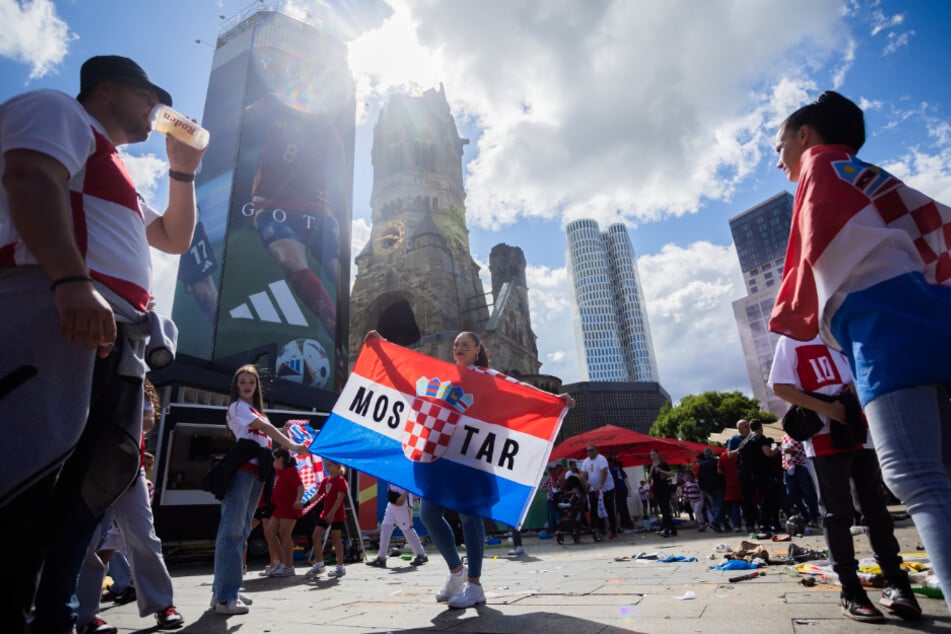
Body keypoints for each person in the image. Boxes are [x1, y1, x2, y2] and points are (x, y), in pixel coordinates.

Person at [0, 55, 205, 633]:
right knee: (31, 478)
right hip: (56, 311)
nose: (155, 112)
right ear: (107, 91)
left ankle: (55, 617)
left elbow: (172, 236)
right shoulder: (56, 110)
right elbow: (29, 177)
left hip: (112, 338)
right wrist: (70, 279)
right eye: (147, 98)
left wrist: (182, 172)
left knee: (78, 495)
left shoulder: (112, 167)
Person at [770, 89, 951, 616]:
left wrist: (794, 314)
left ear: (805, 137)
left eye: (780, 145)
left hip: (886, 332)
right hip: (928, 323)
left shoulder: (819, 167)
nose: (778, 159)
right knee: (936, 475)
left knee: (915, 479)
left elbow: (811, 253)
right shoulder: (869, 176)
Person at [413, 331, 573, 609]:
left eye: (465, 345)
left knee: (469, 516)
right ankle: (455, 573)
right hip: (443, 458)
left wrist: (554, 400)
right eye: (455, 345)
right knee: (428, 514)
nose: (458, 348)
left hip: (473, 457)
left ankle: (474, 585)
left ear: (477, 350)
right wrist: (380, 347)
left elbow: (519, 392)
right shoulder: (446, 379)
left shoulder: (488, 377)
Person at [768, 334, 921, 622]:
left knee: (875, 509)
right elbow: (780, 385)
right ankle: (850, 590)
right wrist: (828, 409)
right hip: (826, 436)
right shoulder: (795, 339)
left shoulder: (847, 331)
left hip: (862, 431)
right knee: (837, 512)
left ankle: (895, 581)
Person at [71, 380, 184, 634]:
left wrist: (142, 416)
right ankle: (86, 616)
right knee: (86, 543)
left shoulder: (139, 385)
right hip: (94, 467)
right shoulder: (96, 373)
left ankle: (163, 606)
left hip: (132, 468)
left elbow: (147, 422)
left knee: (144, 536)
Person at [211, 364, 307, 615]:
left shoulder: (254, 410)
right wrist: (291, 445)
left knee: (241, 531)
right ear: (236, 385)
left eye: (251, 382)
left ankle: (224, 590)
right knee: (232, 532)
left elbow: (266, 432)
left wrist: (285, 434)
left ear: (256, 387)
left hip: (256, 475)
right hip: (242, 472)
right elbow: (264, 430)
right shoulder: (238, 407)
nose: (247, 386)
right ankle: (224, 597)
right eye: (242, 382)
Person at [261, 448, 304, 577]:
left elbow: (300, 487)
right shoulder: (279, 471)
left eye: (274, 458)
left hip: (290, 508)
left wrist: (298, 500)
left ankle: (289, 567)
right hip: (279, 508)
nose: (272, 461)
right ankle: (280, 563)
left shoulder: (291, 471)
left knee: (285, 534)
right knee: (269, 532)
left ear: (280, 459)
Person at [304, 459, 349, 579]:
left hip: (337, 515)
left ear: (338, 466)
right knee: (316, 535)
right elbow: (318, 496)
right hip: (325, 514)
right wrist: (305, 504)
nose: (327, 468)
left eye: (330, 465)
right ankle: (319, 564)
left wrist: (332, 513)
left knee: (336, 539)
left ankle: (340, 567)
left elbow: (340, 499)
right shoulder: (326, 480)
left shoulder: (341, 481)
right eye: (326, 466)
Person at [366, 483, 428, 568]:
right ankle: (381, 558)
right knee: (385, 527)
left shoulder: (406, 471)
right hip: (392, 505)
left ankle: (421, 554)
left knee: (407, 530)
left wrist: (405, 495)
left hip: (404, 505)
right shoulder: (391, 472)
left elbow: (411, 485)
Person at [779, 433, 820, 527]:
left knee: (808, 493)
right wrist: (785, 463)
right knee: (792, 493)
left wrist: (795, 452)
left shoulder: (801, 435)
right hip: (789, 468)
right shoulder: (784, 437)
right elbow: (786, 454)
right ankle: (805, 516)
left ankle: (813, 518)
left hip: (802, 466)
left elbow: (808, 450)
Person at [581, 445, 617, 539]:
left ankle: (613, 531)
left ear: (596, 450)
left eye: (591, 450)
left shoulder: (601, 459)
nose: (589, 452)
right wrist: (586, 482)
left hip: (606, 488)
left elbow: (604, 472)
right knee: (594, 509)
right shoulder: (586, 461)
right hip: (594, 489)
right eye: (588, 450)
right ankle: (598, 529)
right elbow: (584, 474)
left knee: (609, 509)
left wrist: (601, 485)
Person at [697, 448, 726, 532]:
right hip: (718, 486)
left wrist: (702, 489)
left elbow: (700, 478)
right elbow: (721, 473)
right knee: (721, 506)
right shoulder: (716, 462)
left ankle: (719, 524)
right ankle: (715, 522)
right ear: (712, 454)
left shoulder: (702, 465)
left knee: (715, 507)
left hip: (708, 489)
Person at [648, 450, 676, 537]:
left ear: (657, 455)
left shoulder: (663, 464)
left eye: (654, 454)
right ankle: (672, 529)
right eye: (651, 455)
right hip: (656, 489)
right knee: (663, 509)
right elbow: (649, 480)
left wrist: (661, 470)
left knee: (665, 509)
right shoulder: (650, 466)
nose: (653, 456)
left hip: (664, 488)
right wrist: (651, 471)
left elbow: (672, 474)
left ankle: (666, 529)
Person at [608, 457, 634, 532]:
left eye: (608, 463)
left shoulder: (612, 469)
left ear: (611, 463)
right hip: (623, 488)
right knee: (624, 507)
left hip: (618, 489)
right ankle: (627, 524)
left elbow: (613, 480)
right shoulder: (619, 468)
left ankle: (624, 524)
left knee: (620, 508)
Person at [539, 465, 564, 531]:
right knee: (552, 514)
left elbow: (561, 487)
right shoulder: (548, 479)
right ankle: (553, 528)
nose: (559, 471)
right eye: (558, 469)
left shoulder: (560, 478)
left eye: (560, 470)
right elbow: (542, 488)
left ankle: (560, 527)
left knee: (559, 513)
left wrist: (559, 485)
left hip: (559, 498)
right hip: (551, 499)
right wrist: (548, 489)